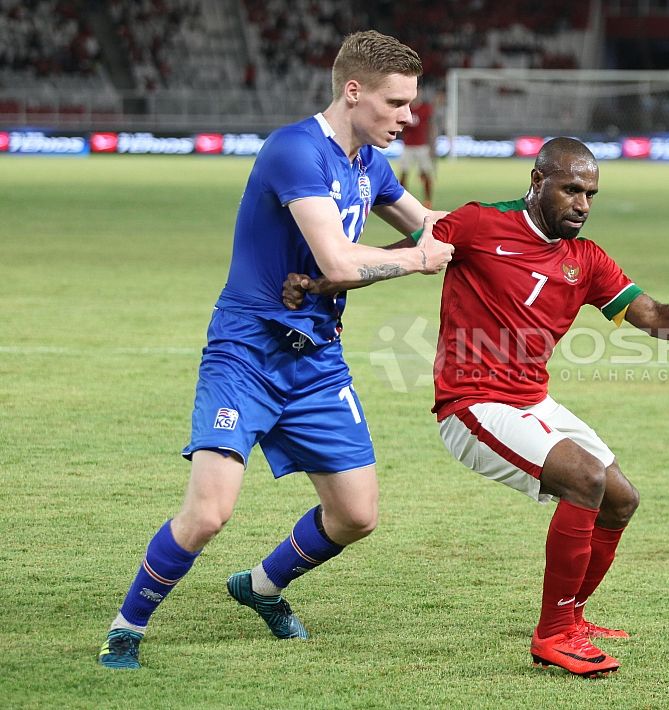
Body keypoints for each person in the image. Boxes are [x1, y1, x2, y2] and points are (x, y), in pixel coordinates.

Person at [284, 137, 669, 677]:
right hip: (471, 403)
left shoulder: (585, 260)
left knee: (620, 499)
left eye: (591, 193)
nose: (583, 204)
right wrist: (318, 281)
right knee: (585, 478)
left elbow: (652, 315)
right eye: (571, 189)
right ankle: (554, 635)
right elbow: (404, 257)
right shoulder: (478, 223)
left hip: (531, 401)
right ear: (538, 181)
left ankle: (573, 616)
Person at [97, 31, 454, 670]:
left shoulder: (367, 162)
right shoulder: (296, 150)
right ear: (353, 91)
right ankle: (127, 629)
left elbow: (432, 224)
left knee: (356, 514)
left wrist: (517, 227)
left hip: (317, 360)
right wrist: (417, 261)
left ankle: (261, 587)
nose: (408, 117)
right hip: (248, 353)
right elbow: (339, 262)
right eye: (397, 103)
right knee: (208, 513)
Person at [396, 93, 437, 207]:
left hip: (421, 146)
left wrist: (432, 145)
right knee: (404, 174)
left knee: (426, 174)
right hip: (408, 146)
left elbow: (431, 126)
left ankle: (428, 201)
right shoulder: (406, 109)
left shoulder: (425, 108)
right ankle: (403, 200)